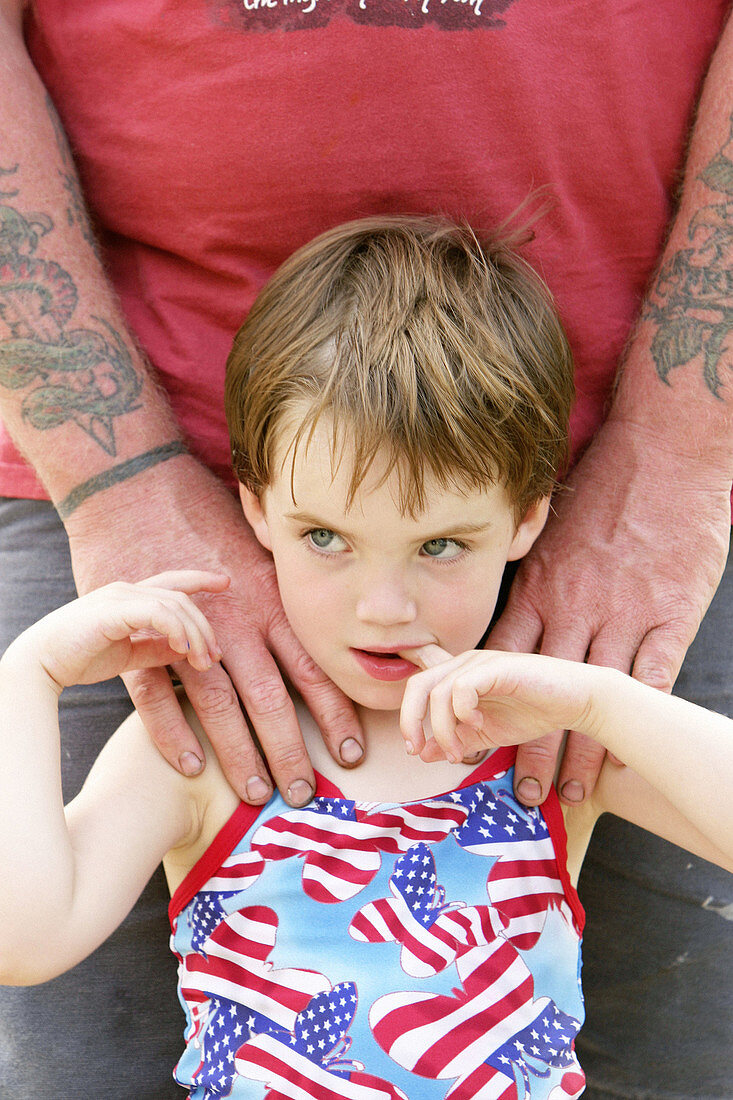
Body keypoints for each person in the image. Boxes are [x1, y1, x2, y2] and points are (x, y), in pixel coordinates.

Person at [0, 5, 731, 1097]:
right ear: (253, 508)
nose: (382, 605)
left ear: (529, 520)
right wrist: (29, 674)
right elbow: (27, 935)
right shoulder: (206, 734)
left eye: (440, 543)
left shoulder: (540, 746)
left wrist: (597, 703)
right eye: (325, 538)